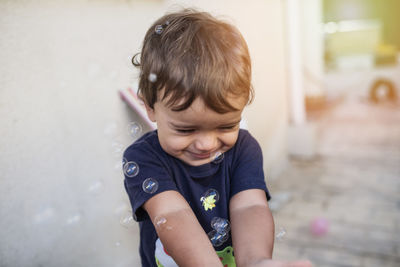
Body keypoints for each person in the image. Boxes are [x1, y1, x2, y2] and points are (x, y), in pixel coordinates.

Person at [123, 8, 311, 267]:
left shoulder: (244, 149)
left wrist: (256, 261)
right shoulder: (143, 159)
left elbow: (249, 207)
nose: (207, 144)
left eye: (226, 126)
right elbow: (173, 214)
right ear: (149, 107)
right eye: (186, 130)